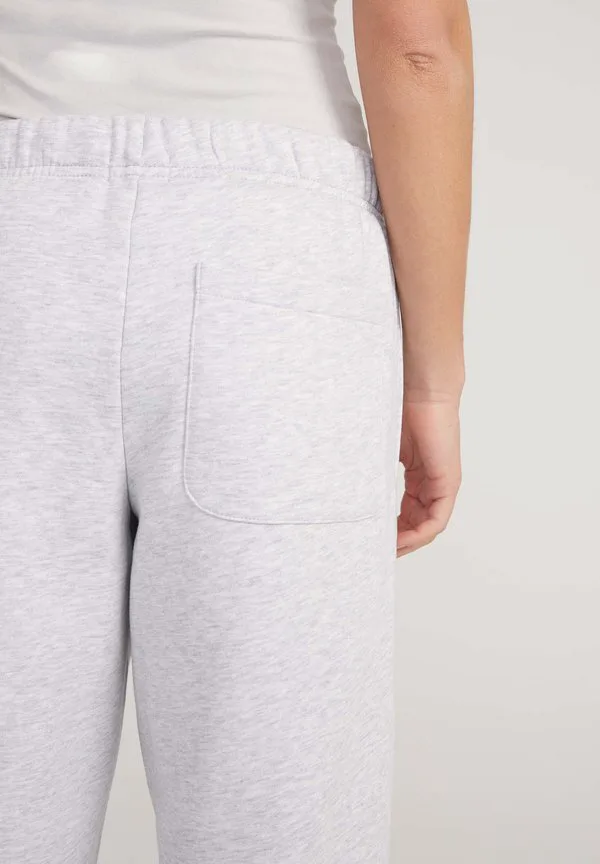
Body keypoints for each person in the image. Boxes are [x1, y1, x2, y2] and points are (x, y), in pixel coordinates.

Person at [0, 0, 473, 861]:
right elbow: (416, 47)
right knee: (280, 815)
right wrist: (432, 385)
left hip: (17, 228)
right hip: (270, 243)